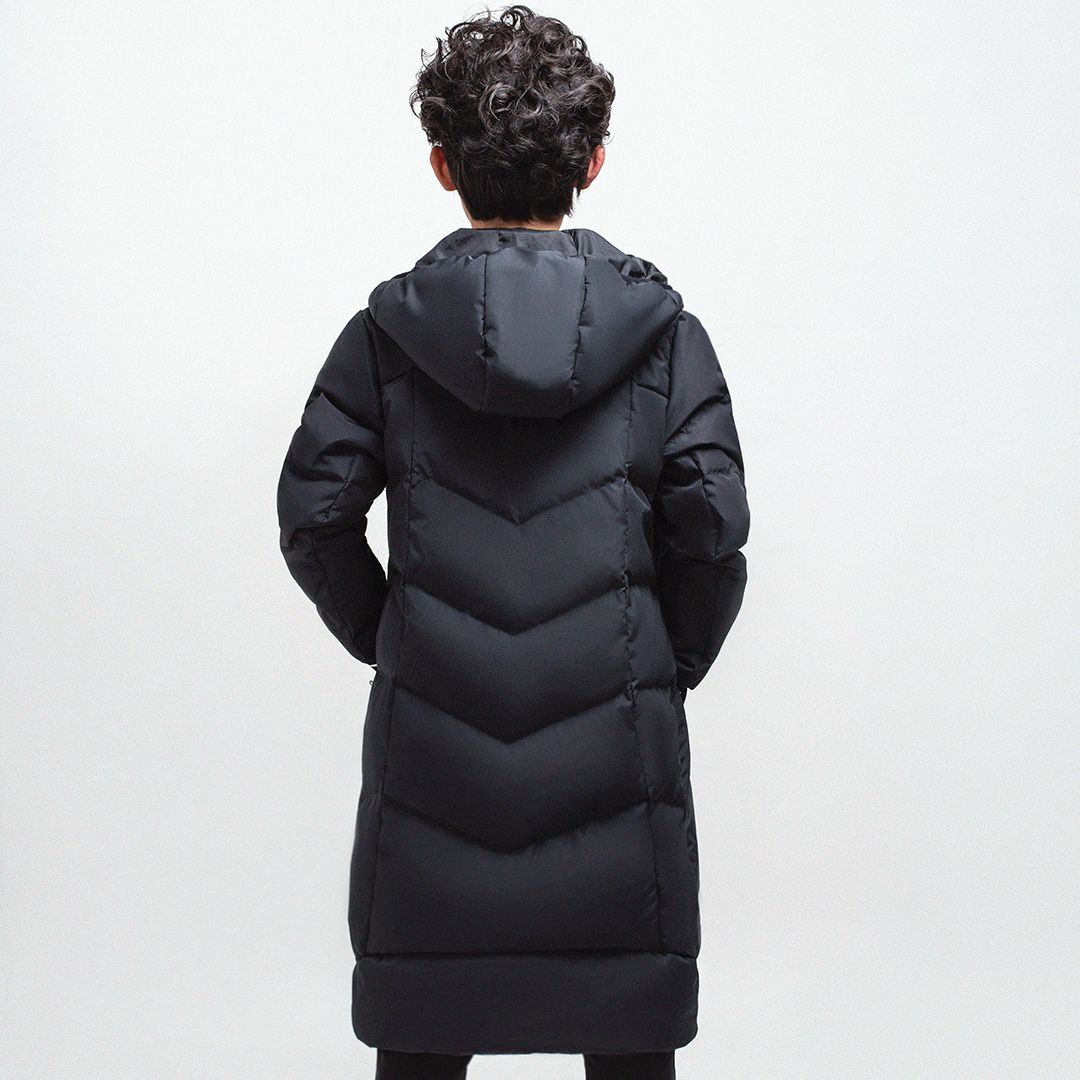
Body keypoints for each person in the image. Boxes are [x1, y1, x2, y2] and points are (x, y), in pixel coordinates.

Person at [276, 6, 750, 1078]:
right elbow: (712, 530)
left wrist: (398, 639)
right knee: (627, 1029)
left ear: (443, 166)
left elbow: (313, 517)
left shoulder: (384, 342)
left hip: (433, 773)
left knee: (424, 1027)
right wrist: (659, 663)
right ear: (593, 161)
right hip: (618, 766)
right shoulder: (667, 342)